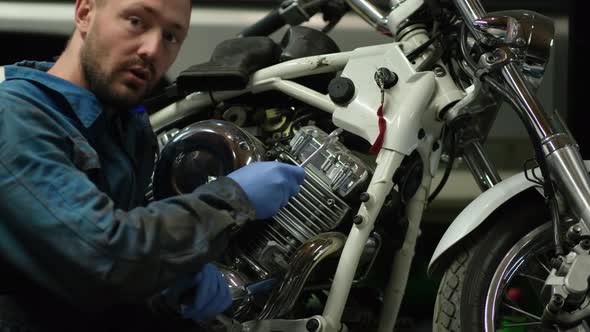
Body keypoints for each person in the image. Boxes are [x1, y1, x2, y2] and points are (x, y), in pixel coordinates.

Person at [0, 0, 305, 331]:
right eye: (136, 21)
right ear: (85, 13)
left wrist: (169, 280)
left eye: (172, 37)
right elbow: (106, 258)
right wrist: (235, 198)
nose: (152, 49)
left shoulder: (126, 129)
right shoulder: (16, 118)